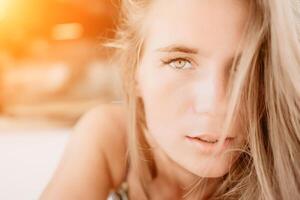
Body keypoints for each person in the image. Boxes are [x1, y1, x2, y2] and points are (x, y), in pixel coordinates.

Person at [40, 0, 300, 199]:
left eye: (244, 69)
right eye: (180, 62)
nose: (215, 105)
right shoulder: (112, 136)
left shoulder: (286, 166)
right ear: (133, 73)